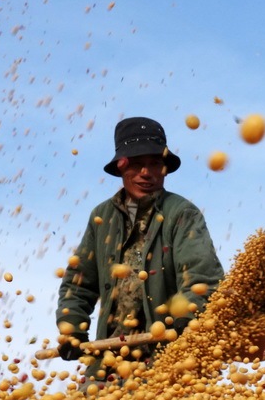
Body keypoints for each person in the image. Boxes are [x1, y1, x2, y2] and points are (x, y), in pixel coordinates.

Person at [56, 116, 224, 383]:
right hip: (109, 361)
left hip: (168, 362)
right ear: (121, 166)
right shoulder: (102, 218)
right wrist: (72, 328)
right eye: (136, 164)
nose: (146, 173)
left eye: (154, 164)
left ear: (164, 168)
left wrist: (185, 320)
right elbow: (78, 283)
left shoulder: (181, 214)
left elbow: (203, 280)